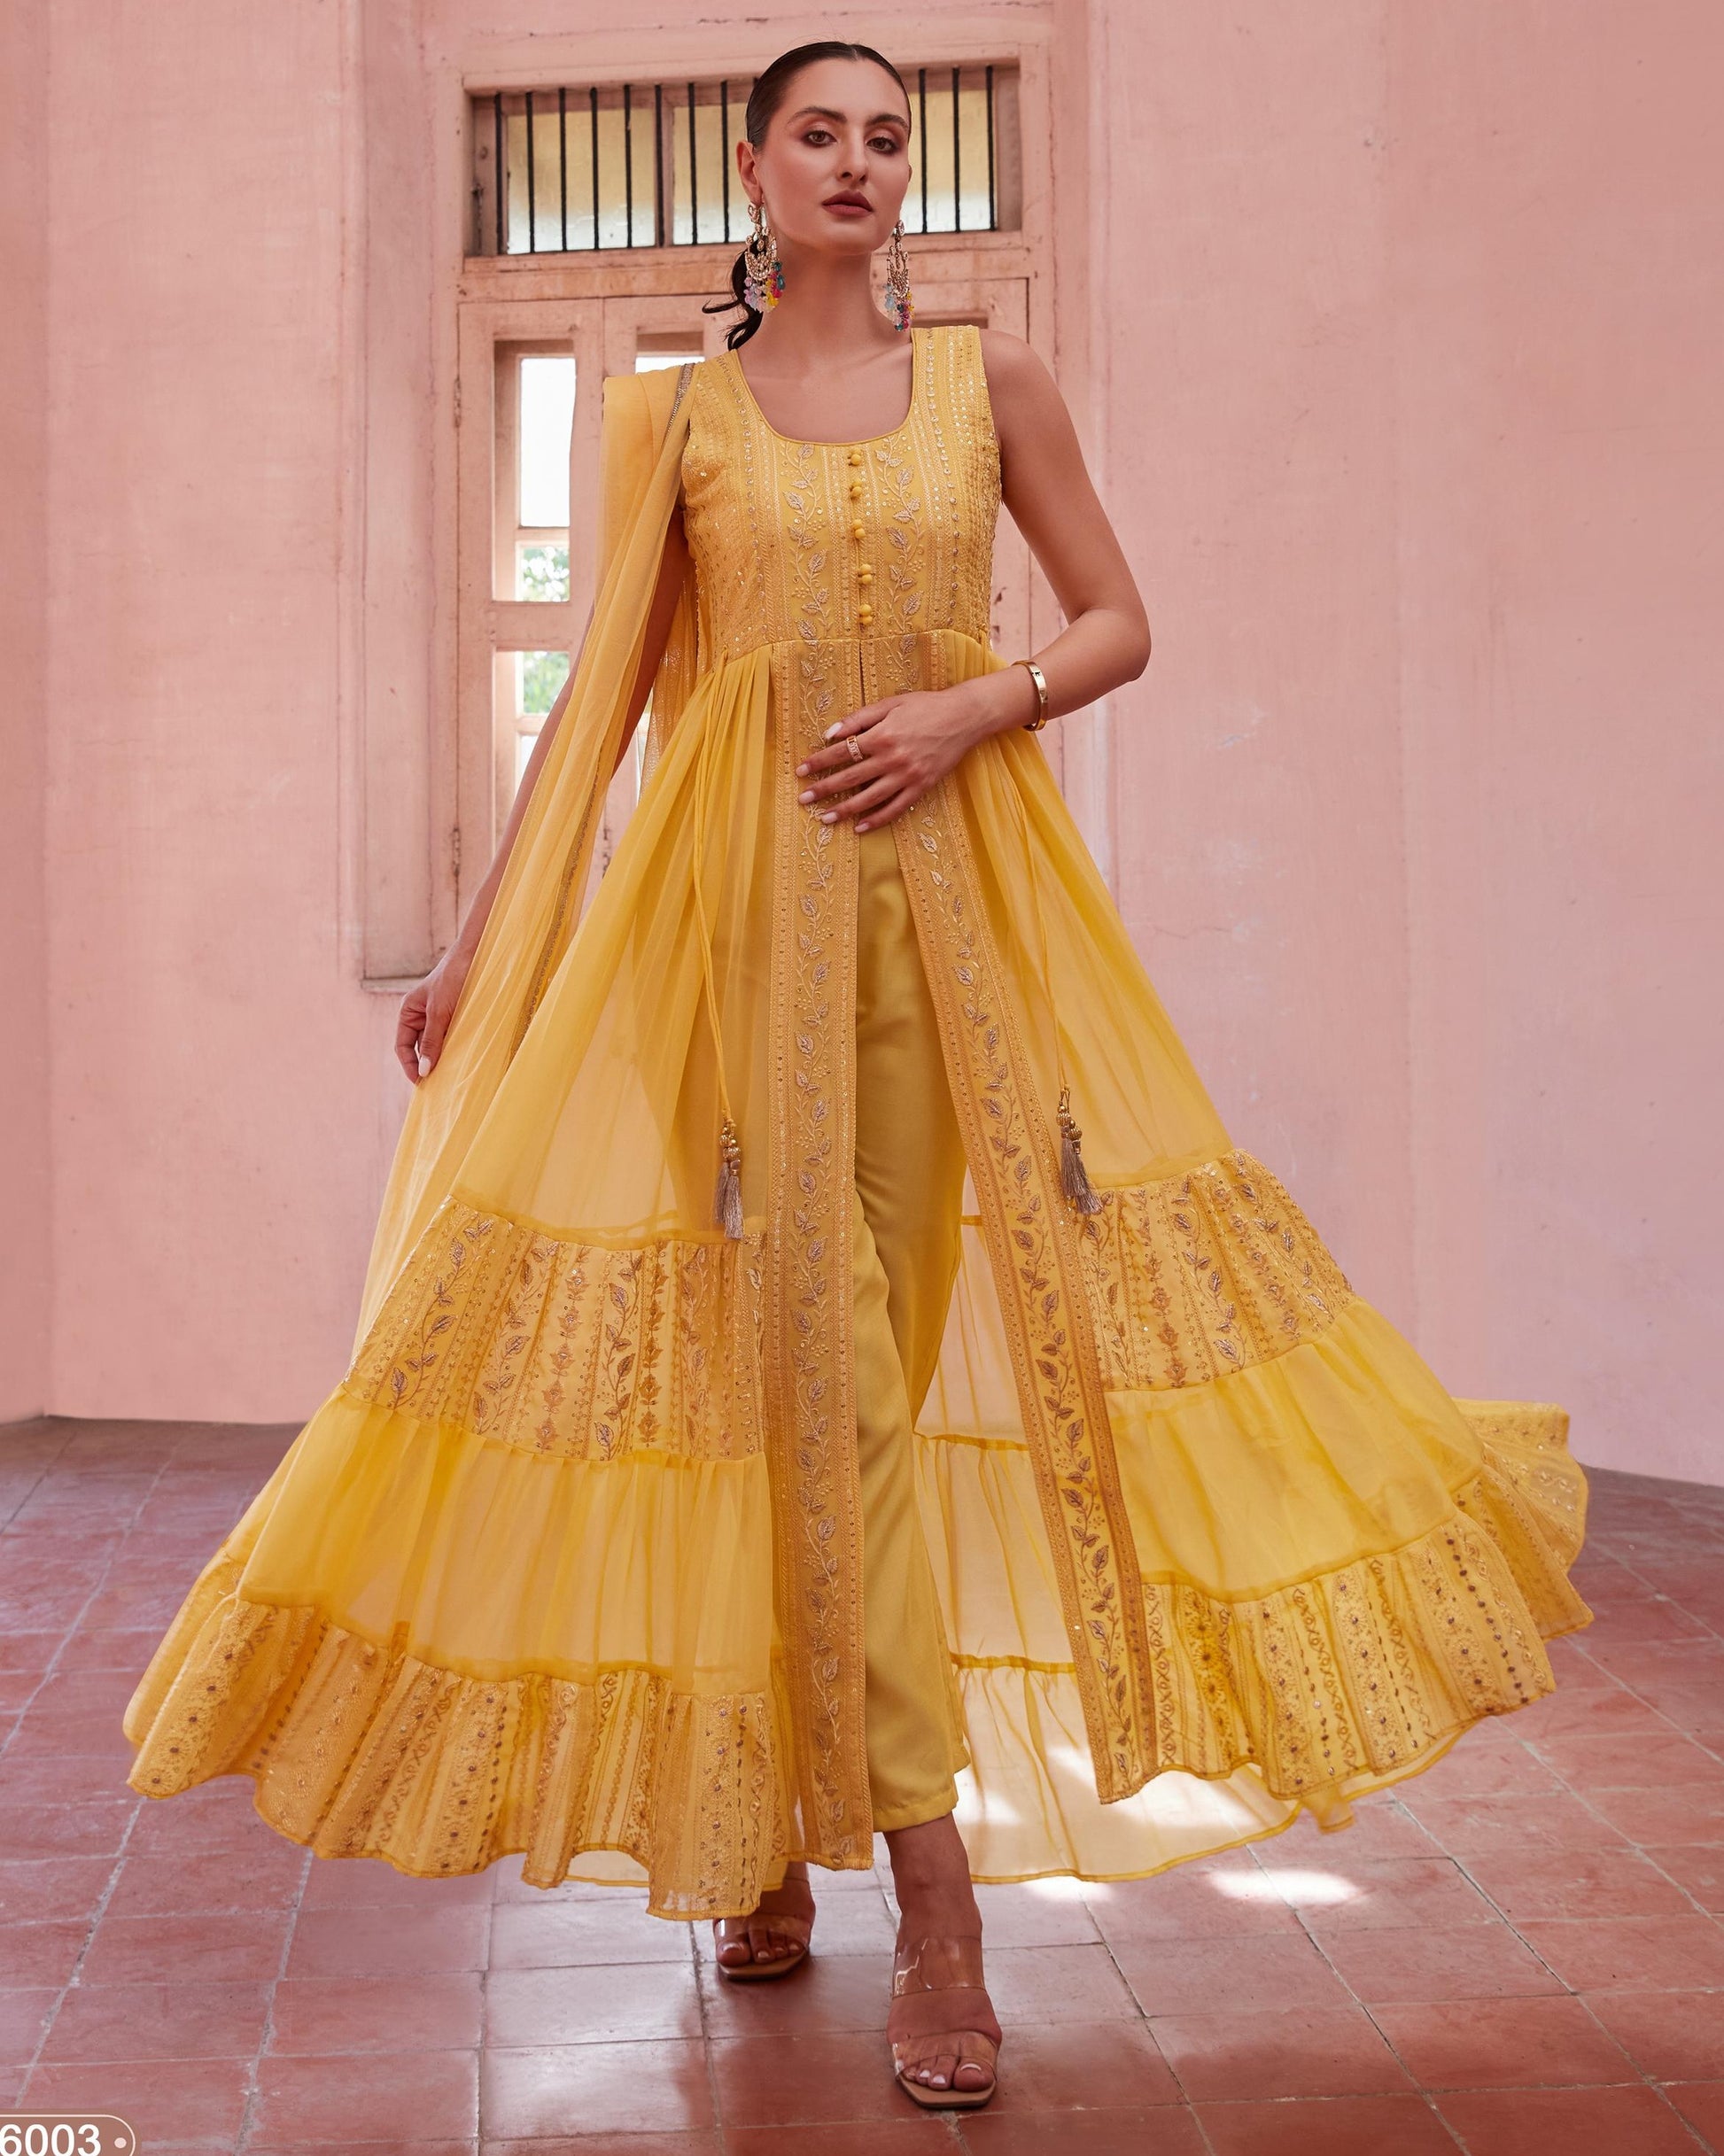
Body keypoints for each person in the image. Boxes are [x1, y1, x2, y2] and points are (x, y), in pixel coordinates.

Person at [121, 41, 1590, 2114]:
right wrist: (479, 939)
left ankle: (782, 1840)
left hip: (949, 950)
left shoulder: (992, 390)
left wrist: (973, 702)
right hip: (719, 953)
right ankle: (930, 1892)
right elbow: (597, 703)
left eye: (888, 136)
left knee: (866, 1387)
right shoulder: (674, 420)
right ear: (753, 164)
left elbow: (1116, 621)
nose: (857, 161)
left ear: (915, 174)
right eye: (819, 131)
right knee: (789, 1381)